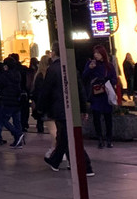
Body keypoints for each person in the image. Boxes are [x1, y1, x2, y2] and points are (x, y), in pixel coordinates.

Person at [37, 48, 94, 176]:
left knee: (68, 137)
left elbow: (46, 90)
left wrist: (41, 107)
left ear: (54, 53)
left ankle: (85, 165)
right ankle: (57, 161)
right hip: (71, 107)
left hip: (59, 108)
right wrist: (83, 108)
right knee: (65, 136)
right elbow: (80, 89)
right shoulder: (71, 68)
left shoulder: (53, 69)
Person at [82, 44, 118, 148]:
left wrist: (108, 82)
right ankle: (100, 138)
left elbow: (114, 79)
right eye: (95, 53)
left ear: (103, 54)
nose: (96, 55)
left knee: (108, 117)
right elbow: (84, 76)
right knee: (96, 117)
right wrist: (89, 68)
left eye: (98, 53)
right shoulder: (91, 64)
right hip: (96, 94)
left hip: (106, 94)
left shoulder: (109, 66)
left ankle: (109, 139)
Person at [32, 54, 51, 134]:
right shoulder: (43, 75)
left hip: (39, 99)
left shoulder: (38, 74)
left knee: (40, 119)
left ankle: (40, 129)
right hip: (44, 99)